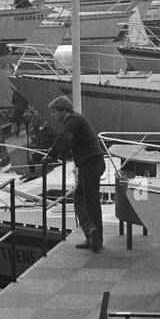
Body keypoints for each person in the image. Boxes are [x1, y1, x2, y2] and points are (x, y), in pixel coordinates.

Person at [43, 95, 106, 253]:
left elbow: (65, 138)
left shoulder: (73, 121)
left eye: (55, 111)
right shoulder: (76, 119)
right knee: (84, 200)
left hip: (90, 165)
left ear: (63, 110)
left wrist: (50, 155)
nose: (53, 115)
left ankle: (93, 233)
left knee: (87, 202)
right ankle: (92, 234)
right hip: (92, 163)